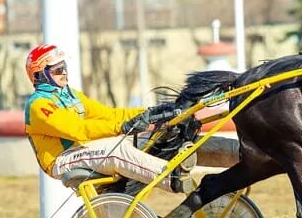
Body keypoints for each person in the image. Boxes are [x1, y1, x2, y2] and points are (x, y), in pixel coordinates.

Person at [24, 43, 237, 193]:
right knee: (120, 151)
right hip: (63, 159)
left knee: (159, 138)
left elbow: (108, 114)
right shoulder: (38, 105)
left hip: (87, 149)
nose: (64, 73)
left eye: (65, 68)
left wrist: (148, 113)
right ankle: (172, 178)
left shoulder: (71, 95)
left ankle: (237, 155)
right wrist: (122, 127)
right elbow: (78, 130)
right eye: (58, 70)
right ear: (41, 75)